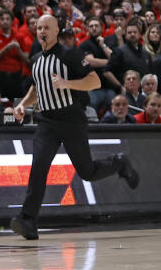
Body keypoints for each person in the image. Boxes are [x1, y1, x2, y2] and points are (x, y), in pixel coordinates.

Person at [9, 15, 140, 241]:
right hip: (46, 122)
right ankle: (28, 219)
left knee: (87, 172)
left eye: (47, 28)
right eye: (39, 27)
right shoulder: (37, 59)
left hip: (71, 119)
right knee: (38, 168)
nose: (42, 31)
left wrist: (67, 83)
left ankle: (119, 162)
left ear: (57, 30)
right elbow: (36, 88)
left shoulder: (71, 55)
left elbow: (95, 81)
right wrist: (21, 105)